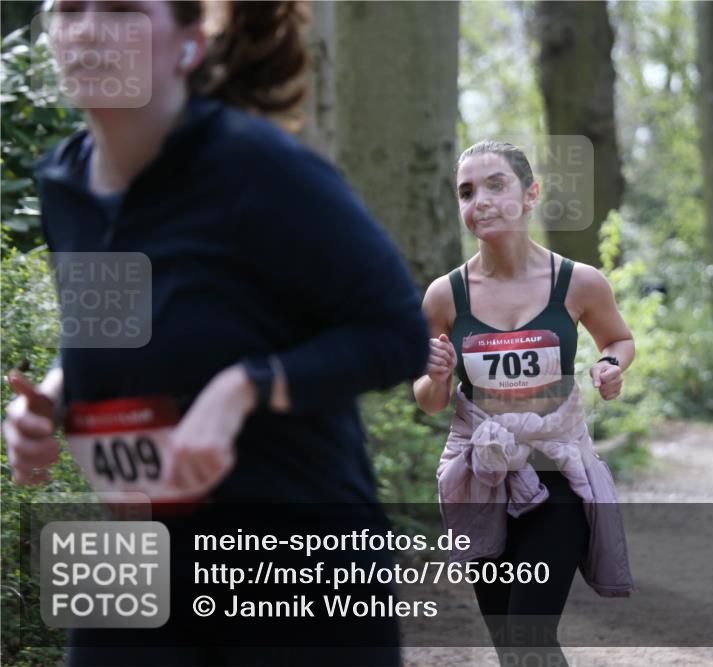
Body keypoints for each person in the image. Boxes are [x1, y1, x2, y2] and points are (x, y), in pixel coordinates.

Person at [2, 1, 428, 665]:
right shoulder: (64, 180)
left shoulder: (259, 168)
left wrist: (244, 388)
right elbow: (119, 327)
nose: (86, 28)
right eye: (69, 8)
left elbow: (397, 332)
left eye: (120, 9)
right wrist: (54, 398)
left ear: (189, 45)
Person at [413, 140, 636, 666]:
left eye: (496, 185)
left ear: (531, 194)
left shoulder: (579, 282)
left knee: (529, 638)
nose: (480, 201)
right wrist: (437, 376)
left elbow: (619, 341)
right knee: (509, 647)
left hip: (556, 474)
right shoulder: (444, 296)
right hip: (481, 479)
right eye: (467, 192)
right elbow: (427, 401)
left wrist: (612, 367)